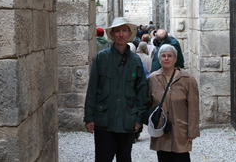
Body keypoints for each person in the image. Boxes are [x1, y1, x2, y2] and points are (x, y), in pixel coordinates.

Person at [84, 17, 150, 162]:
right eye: (117, 31)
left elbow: (142, 92)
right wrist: (89, 117)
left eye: (124, 31)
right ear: (113, 34)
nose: (121, 34)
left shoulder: (135, 60)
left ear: (128, 34)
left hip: (127, 121)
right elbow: (92, 88)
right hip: (104, 121)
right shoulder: (101, 58)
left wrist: (139, 118)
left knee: (125, 158)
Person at [148, 44, 200, 162]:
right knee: (163, 158)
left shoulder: (188, 80)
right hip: (161, 130)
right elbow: (148, 104)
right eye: (163, 56)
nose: (166, 58)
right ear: (159, 58)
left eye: (170, 56)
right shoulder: (152, 79)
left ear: (175, 59)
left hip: (180, 130)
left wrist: (192, 131)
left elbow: (193, 107)